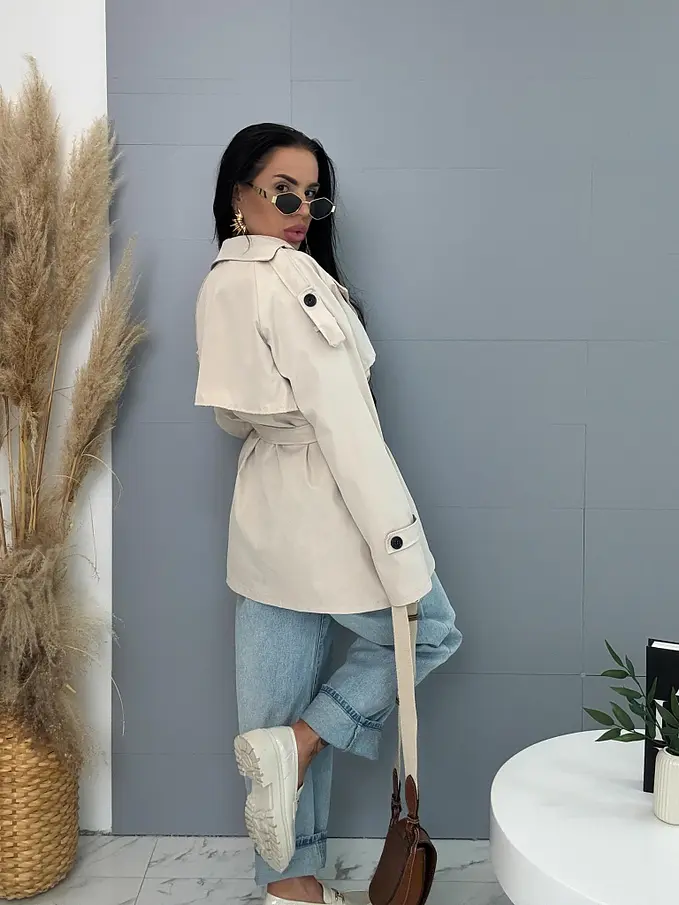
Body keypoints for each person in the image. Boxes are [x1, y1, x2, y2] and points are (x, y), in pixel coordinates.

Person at [194, 123, 462, 905]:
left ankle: (290, 888)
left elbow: (233, 419)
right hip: (330, 504)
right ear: (238, 193)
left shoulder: (220, 281)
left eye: (313, 197)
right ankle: (303, 741)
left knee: (270, 704)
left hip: (263, 510)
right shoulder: (288, 279)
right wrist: (395, 541)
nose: (301, 211)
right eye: (284, 192)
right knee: (429, 628)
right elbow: (347, 429)